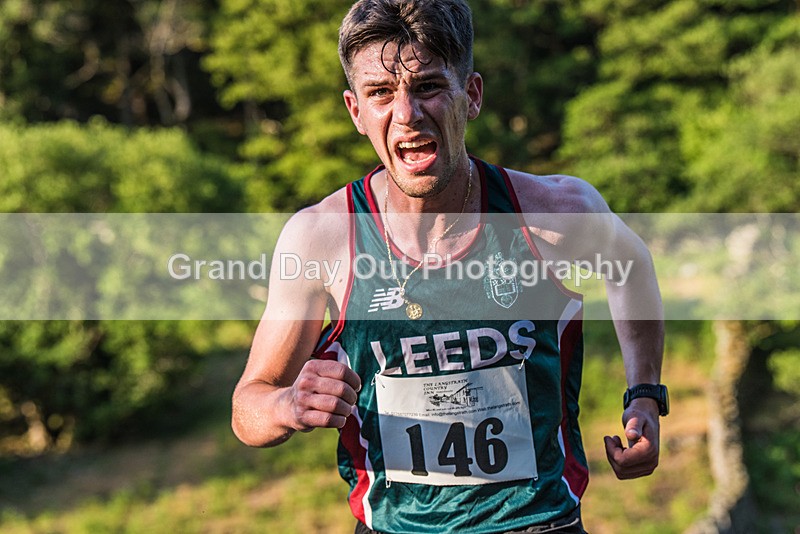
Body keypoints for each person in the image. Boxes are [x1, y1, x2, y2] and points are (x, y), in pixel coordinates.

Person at [232, 1, 667, 532]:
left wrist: (644, 393)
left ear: (473, 95)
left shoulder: (552, 215)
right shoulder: (322, 238)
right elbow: (248, 408)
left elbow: (632, 265)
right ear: (355, 111)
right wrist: (288, 405)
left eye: (429, 87)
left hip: (538, 523)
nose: (408, 114)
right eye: (380, 93)